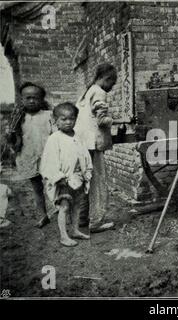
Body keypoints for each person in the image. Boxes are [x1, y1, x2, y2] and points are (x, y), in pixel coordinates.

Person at [40, 102, 92, 247]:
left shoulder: (78, 137)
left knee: (76, 206)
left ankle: (75, 230)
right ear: (56, 120)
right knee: (64, 207)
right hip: (63, 179)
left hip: (78, 177)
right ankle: (64, 235)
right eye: (64, 119)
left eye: (72, 118)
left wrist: (87, 171)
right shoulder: (54, 139)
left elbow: (85, 155)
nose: (68, 122)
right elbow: (49, 161)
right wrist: (59, 178)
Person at [75, 63, 117, 233]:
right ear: (106, 79)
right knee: (97, 183)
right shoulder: (99, 92)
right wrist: (114, 120)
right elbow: (101, 120)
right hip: (92, 143)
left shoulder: (87, 91)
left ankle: (82, 220)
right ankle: (95, 222)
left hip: (82, 142)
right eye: (112, 83)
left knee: (86, 182)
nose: (112, 87)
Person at [9, 82, 56, 228]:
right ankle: (43, 215)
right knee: (37, 188)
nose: (31, 101)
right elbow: (14, 140)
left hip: (49, 157)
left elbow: (56, 134)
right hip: (29, 157)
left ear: (41, 99)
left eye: (35, 97)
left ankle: (61, 211)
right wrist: (10, 136)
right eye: (27, 98)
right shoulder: (18, 119)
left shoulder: (49, 115)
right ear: (22, 100)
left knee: (54, 185)